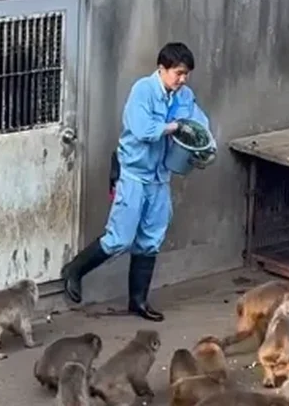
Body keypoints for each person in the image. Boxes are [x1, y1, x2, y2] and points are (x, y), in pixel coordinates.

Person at [60, 42, 215, 322]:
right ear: (162, 69)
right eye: (178, 73)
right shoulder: (142, 91)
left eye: (186, 74)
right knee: (120, 237)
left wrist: (204, 148)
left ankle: (138, 301)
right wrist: (173, 127)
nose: (182, 79)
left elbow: (199, 123)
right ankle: (74, 270)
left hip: (159, 176)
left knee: (151, 238)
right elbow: (142, 129)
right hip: (133, 173)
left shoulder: (184, 95)